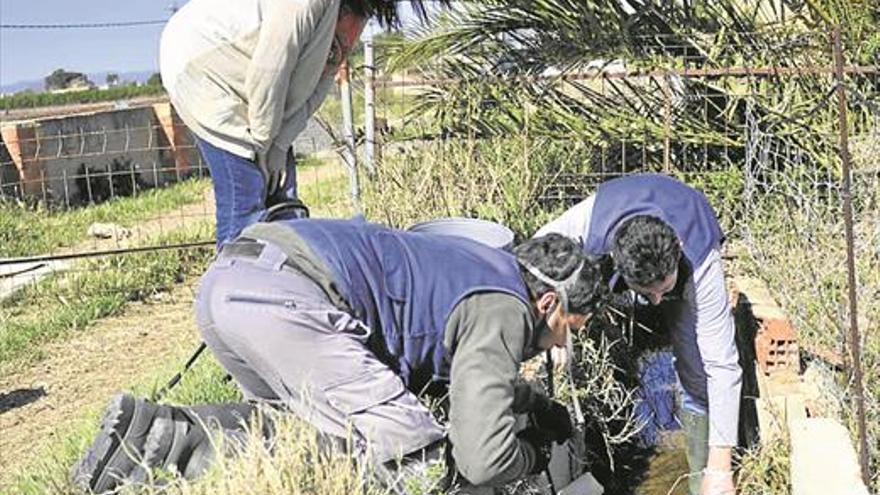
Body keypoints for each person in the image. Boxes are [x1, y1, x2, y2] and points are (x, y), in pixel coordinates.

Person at [71, 219, 606, 494]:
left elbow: (462, 372)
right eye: (565, 330)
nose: (559, 344)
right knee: (415, 456)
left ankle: (153, 435)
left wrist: (528, 400)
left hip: (232, 282)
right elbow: (482, 459)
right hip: (287, 298)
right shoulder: (505, 310)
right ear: (547, 301)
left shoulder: (485, 266)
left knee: (305, 431)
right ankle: (164, 443)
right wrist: (533, 457)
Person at [159, 0, 443, 247]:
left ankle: (285, 293)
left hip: (252, 87)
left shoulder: (356, 10)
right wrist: (262, 142)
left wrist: (279, 146)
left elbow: (319, 83)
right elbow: (270, 67)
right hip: (203, 66)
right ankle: (232, 298)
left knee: (286, 207)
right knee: (245, 203)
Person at [536, 173, 741, 495]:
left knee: (697, 366)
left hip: (688, 230)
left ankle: (700, 472)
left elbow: (724, 365)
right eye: (648, 292)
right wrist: (552, 318)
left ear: (679, 249)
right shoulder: (586, 227)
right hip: (614, 235)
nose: (657, 301)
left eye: (665, 289)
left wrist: (720, 469)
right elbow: (536, 251)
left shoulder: (700, 252)